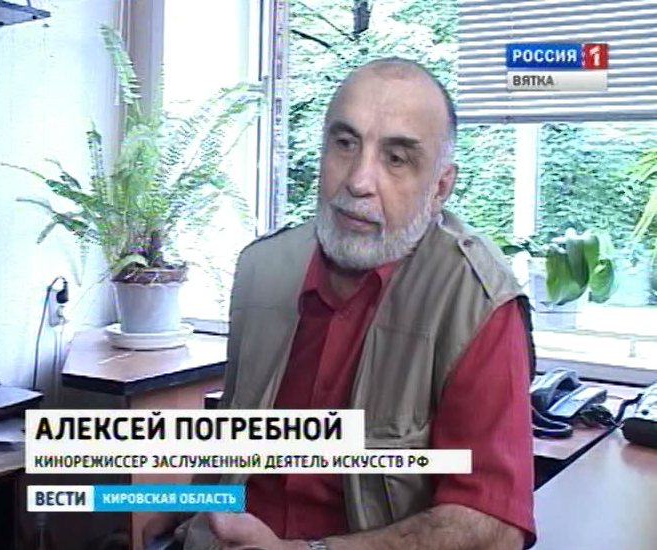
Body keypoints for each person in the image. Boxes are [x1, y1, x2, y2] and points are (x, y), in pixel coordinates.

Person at [148, 57, 535, 550]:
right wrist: (178, 511)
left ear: (440, 187)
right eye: (345, 144)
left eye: (396, 158)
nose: (358, 180)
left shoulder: (478, 302)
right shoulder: (260, 270)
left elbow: (494, 526)